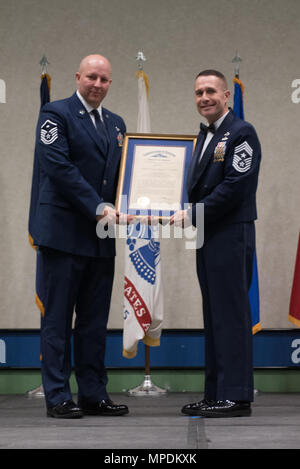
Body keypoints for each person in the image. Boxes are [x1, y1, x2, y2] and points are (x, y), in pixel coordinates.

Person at [29, 54, 129, 418]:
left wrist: (139, 203)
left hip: (100, 238)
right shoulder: (55, 114)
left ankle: (93, 393)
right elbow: (58, 167)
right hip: (62, 235)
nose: (97, 85)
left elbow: (122, 175)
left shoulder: (116, 124)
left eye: (104, 79)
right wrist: (99, 206)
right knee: (57, 319)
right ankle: (57, 395)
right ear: (78, 77)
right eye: (91, 77)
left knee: (93, 321)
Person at [171, 70, 261, 417]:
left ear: (227, 96)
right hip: (209, 235)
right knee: (215, 315)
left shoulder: (242, 132)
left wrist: (193, 213)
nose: (204, 97)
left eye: (210, 91)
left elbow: (236, 186)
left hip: (230, 234)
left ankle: (236, 397)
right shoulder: (204, 136)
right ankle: (215, 393)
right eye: (198, 92)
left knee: (232, 315)